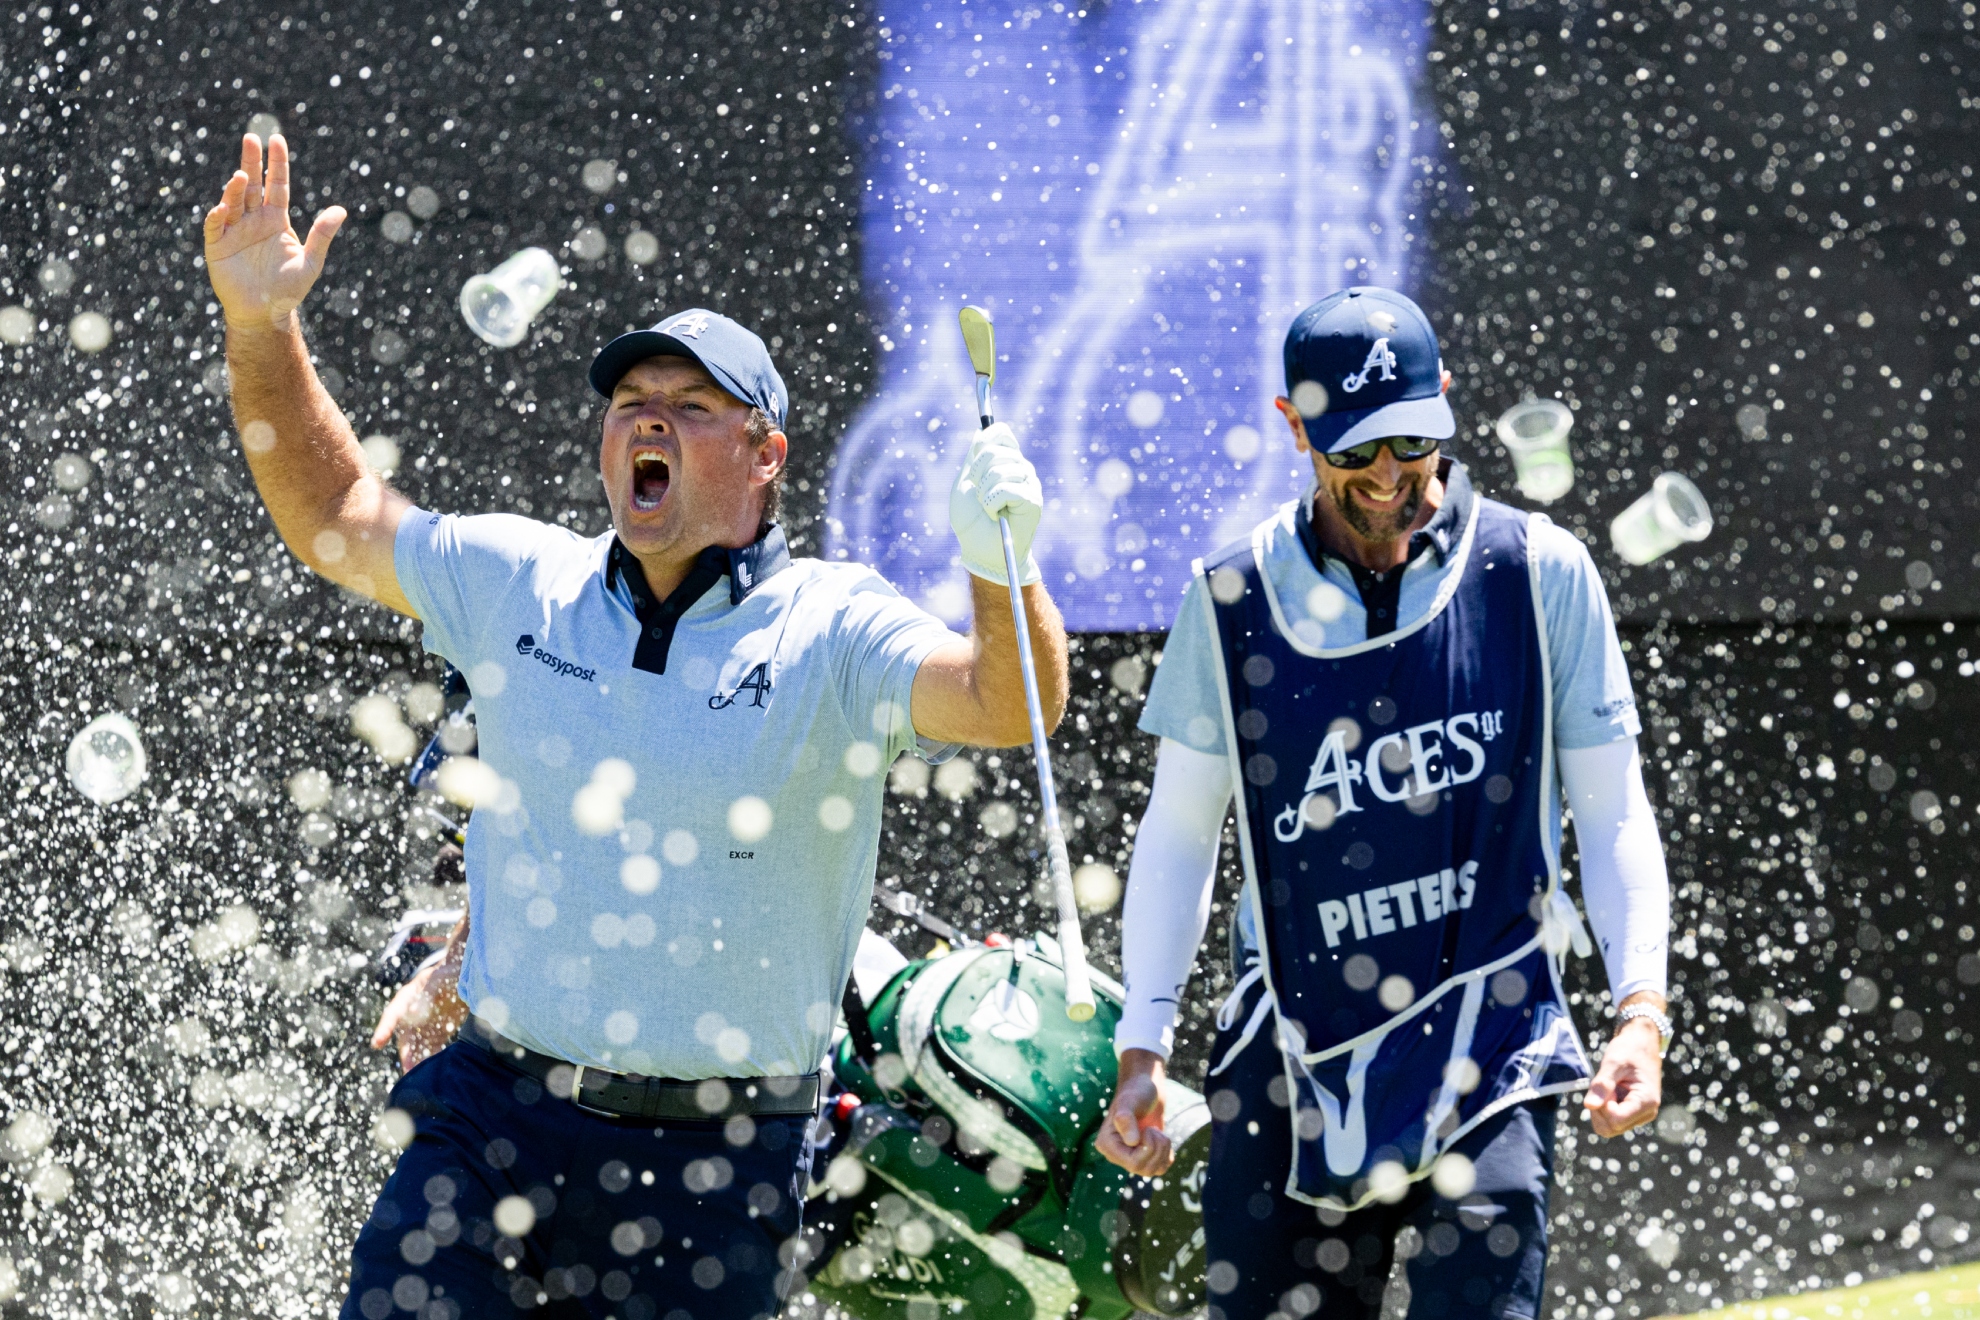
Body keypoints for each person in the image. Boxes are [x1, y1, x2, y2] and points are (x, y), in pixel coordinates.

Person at [202, 132, 1068, 1320]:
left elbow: (1006, 703)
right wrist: (261, 325)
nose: (644, 421)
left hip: (723, 1164)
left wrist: (998, 562)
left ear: (764, 455)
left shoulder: (831, 625)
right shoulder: (522, 578)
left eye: (688, 406)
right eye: (628, 404)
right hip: (494, 1118)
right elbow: (335, 510)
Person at [1093, 287, 1671, 1320]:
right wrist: (1145, 1046)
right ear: (1293, 428)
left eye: (1412, 442)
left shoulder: (1539, 571)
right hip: (1289, 1055)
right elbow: (1179, 833)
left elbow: (1613, 807)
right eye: (1354, 453)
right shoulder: (1231, 600)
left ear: (1445, 401)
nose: (1389, 480)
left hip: (1494, 1043)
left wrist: (1641, 1014)